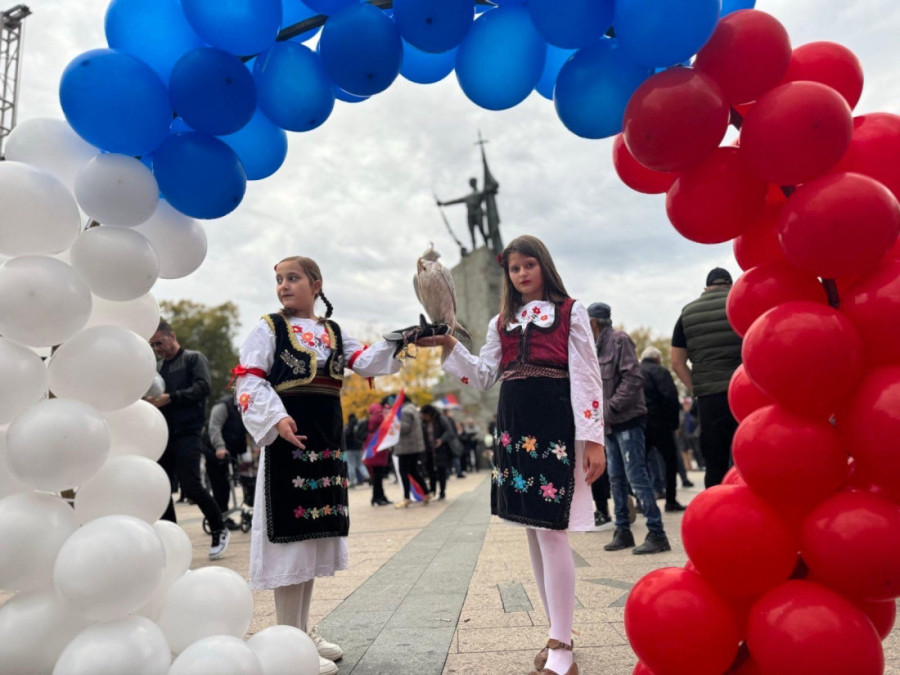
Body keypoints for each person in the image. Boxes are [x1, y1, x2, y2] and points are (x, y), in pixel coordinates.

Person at [418, 235, 606, 675]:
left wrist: (593, 438)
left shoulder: (570, 311)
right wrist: (448, 344)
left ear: (544, 266)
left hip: (554, 425)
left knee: (553, 530)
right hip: (513, 431)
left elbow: (586, 375)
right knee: (532, 530)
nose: (521, 274)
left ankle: (561, 643)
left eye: (528, 265)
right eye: (514, 268)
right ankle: (557, 631)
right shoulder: (500, 322)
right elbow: (484, 376)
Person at [232, 256, 402, 675]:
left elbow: (365, 361)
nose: (284, 286)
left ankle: (301, 633)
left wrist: (401, 339)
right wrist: (275, 418)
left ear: (316, 284)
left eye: (292, 278)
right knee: (290, 537)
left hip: (324, 444)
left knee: (310, 537)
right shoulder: (268, 327)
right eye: (279, 280)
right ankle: (287, 645)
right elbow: (248, 379)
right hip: (288, 444)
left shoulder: (332, 332)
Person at [587, 302, 670, 556]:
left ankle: (657, 533)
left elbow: (633, 378)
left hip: (627, 420)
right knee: (616, 478)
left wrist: (610, 408)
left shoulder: (620, 340)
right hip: (610, 424)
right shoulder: (593, 348)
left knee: (636, 475)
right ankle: (622, 530)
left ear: (593, 323)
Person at [148, 319, 229, 559]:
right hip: (164, 435)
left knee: (191, 485)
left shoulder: (194, 359)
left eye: (159, 342)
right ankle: (172, 539)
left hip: (189, 432)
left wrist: (170, 398)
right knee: (162, 489)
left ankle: (219, 528)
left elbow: (203, 388)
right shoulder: (159, 369)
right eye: (153, 345)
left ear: (172, 336)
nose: (157, 349)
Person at [670, 268, 742, 487]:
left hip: (710, 399)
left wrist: (697, 387)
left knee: (715, 462)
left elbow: (677, 362)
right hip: (744, 394)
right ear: (730, 285)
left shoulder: (687, 313)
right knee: (748, 456)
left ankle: (718, 512)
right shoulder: (741, 305)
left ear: (706, 287)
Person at [640, 346, 686, 512]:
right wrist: (673, 424)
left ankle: (642, 502)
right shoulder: (660, 371)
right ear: (658, 358)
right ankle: (671, 500)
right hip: (660, 422)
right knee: (670, 461)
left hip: (639, 423)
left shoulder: (634, 371)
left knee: (640, 464)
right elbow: (671, 397)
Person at [208, 392, 253, 529]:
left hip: (231, 453)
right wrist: (220, 447)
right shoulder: (224, 405)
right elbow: (214, 427)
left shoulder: (246, 408)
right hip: (215, 451)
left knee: (231, 483)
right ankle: (220, 518)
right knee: (220, 486)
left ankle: (226, 514)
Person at [392, 398, 431, 508]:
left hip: (405, 448)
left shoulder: (404, 411)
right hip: (413, 447)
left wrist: (394, 423)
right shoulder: (413, 409)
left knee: (403, 472)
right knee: (414, 471)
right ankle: (427, 493)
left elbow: (404, 428)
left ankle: (406, 498)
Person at [420, 404, 455, 500]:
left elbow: (449, 432)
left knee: (441, 471)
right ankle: (432, 491)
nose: (424, 417)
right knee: (430, 470)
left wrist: (441, 440)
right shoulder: (423, 423)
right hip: (429, 450)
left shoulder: (440, 419)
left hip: (441, 449)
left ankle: (442, 492)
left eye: (425, 415)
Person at [342, 413, 368, 487]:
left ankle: (352, 482)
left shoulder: (348, 427)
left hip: (349, 449)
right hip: (359, 448)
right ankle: (367, 476)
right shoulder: (359, 425)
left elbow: (345, 437)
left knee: (351, 465)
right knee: (360, 464)